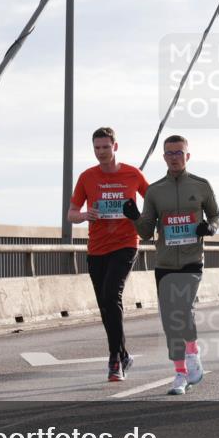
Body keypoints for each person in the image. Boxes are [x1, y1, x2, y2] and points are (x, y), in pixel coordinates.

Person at [123, 135, 219, 395]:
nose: (174, 156)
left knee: (182, 307)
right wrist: (134, 216)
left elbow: (216, 215)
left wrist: (209, 227)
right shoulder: (155, 191)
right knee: (169, 320)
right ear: (164, 157)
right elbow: (145, 231)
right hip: (165, 262)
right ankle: (180, 374)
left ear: (187, 156)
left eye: (179, 152)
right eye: (170, 153)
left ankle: (193, 354)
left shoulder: (201, 186)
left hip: (191, 261)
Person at [68, 127, 149, 382]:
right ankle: (123, 353)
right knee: (105, 304)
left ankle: (115, 360)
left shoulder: (133, 174)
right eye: (96, 148)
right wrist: (83, 215)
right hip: (97, 248)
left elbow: (154, 204)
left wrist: (137, 216)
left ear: (115, 147)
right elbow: (71, 213)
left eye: (105, 147)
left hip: (125, 243)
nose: (101, 152)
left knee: (111, 293)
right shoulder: (87, 177)